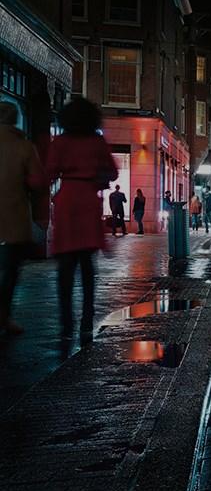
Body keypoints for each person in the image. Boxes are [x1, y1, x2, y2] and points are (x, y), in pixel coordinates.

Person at [47, 98, 117, 342]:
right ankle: (87, 319)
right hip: (88, 199)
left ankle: (66, 321)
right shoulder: (97, 142)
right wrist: (96, 177)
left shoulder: (61, 142)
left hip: (67, 199)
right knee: (87, 264)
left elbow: (49, 171)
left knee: (65, 266)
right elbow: (112, 170)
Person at [0, 101, 46, 336]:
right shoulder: (24, 146)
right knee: (9, 270)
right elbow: (38, 182)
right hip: (12, 216)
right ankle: (4, 317)